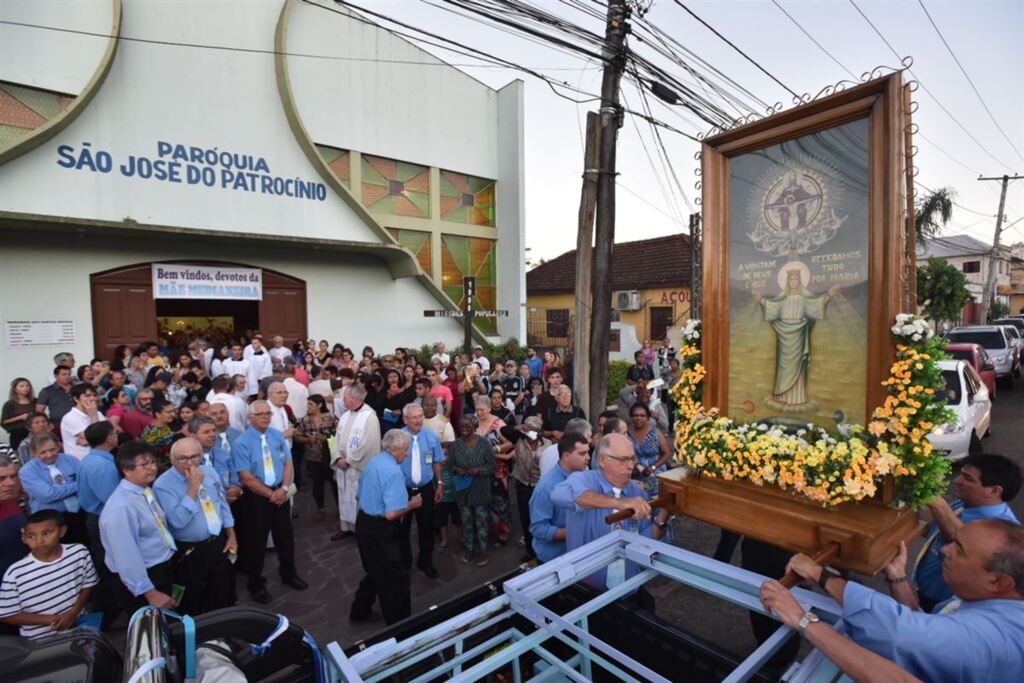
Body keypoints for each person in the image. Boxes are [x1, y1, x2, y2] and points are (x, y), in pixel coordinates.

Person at [760, 519, 1024, 683]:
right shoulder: (996, 601)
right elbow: (929, 627)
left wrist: (804, 617)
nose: (944, 550)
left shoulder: (993, 638)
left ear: (998, 581)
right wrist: (898, 578)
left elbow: (901, 635)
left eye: (960, 550)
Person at [551, 434, 665, 590]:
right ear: (603, 460)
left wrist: (665, 513)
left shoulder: (636, 493)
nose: (631, 466)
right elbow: (558, 495)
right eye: (623, 460)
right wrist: (619, 503)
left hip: (629, 587)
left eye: (632, 459)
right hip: (586, 588)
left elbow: (646, 540)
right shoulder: (584, 480)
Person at [913, 454, 1021, 612]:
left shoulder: (1002, 532)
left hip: (942, 605)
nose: (956, 481)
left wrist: (938, 504)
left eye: (968, 478)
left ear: (994, 490)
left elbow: (966, 542)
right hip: (923, 591)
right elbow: (934, 526)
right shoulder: (967, 503)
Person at [232, 401, 306, 603]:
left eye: (268, 413)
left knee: (285, 537)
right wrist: (270, 494)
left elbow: (288, 462)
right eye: (261, 414)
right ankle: (255, 584)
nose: (266, 417)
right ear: (250, 417)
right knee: (256, 542)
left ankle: (289, 574)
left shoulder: (276, 435)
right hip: (257, 498)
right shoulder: (241, 443)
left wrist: (283, 489)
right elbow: (245, 477)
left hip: (280, 492)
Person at [153, 438, 237, 615]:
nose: (189, 463)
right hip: (190, 551)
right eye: (183, 458)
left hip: (218, 542)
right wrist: (192, 488)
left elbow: (221, 505)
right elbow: (177, 522)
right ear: (172, 459)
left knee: (221, 592)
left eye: (194, 457)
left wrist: (231, 534)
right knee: (193, 600)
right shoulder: (163, 485)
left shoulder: (210, 472)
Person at [350, 430, 423, 625]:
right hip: (381, 530)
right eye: (405, 450)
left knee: (374, 571)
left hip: (364, 523)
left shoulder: (374, 462)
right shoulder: (393, 472)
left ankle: (359, 610)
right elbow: (392, 513)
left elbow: (358, 495)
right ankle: (399, 625)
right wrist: (413, 504)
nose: (406, 454)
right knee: (396, 579)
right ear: (394, 449)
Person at [100, 441, 176, 611]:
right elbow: (126, 555)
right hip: (143, 579)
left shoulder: (144, 490)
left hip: (160, 568)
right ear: (126, 470)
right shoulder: (121, 507)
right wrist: (150, 592)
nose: (152, 468)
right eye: (144, 464)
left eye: (152, 462)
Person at [0, 510, 97, 639]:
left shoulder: (79, 552)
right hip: (40, 641)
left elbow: (88, 584)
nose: (39, 540)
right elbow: (8, 615)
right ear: (24, 538)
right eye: (31, 536)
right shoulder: (15, 573)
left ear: (62, 531)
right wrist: (54, 619)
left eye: (46, 533)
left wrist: (73, 612)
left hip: (80, 630)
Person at [754, 270, 840, 411]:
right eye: (791, 280)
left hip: (799, 335)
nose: (793, 282)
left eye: (796, 279)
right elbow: (772, 307)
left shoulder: (803, 299)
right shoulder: (783, 300)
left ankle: (797, 398)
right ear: (787, 282)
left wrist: (829, 295)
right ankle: (781, 396)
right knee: (784, 367)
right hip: (784, 336)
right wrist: (760, 300)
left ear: (799, 282)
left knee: (798, 367)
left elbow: (816, 304)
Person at [530, 434, 592, 563]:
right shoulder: (546, 487)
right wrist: (576, 532)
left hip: (580, 553)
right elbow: (538, 528)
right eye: (582, 454)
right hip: (556, 559)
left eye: (588, 452)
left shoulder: (585, 476)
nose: (588, 458)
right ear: (566, 456)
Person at [399, 404, 444, 578]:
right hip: (403, 491)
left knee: (427, 528)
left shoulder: (431, 437)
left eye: (420, 416)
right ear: (405, 419)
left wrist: (439, 483)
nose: (418, 420)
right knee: (402, 530)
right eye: (414, 417)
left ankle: (425, 561)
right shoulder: (398, 438)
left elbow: (435, 461)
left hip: (425, 490)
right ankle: (404, 562)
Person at [330, 384, 381, 540]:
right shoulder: (345, 415)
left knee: (356, 497)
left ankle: (360, 529)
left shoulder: (369, 416)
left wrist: (350, 461)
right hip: (343, 465)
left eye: (345, 397)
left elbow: (368, 444)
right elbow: (336, 440)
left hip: (357, 467)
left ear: (355, 398)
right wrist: (338, 457)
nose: (342, 400)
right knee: (343, 495)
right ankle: (346, 527)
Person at [20, 433, 88, 546]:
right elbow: (47, 495)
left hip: (80, 513)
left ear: (58, 446)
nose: (49, 454)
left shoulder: (71, 460)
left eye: (52, 449)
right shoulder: (27, 471)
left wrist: (78, 485)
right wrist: (77, 485)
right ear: (34, 453)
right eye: (43, 452)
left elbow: (86, 482)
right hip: (50, 520)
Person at [451, 416, 496, 566]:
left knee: (481, 522)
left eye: (467, 425)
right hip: (463, 491)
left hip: (480, 489)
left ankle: (483, 551)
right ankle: (469, 550)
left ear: (475, 426)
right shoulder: (456, 444)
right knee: (467, 523)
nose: (464, 428)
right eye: (461, 425)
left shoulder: (483, 444)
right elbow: (450, 464)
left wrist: (479, 470)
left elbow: (492, 466)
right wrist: (457, 469)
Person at [474, 396, 513, 544]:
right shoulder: (474, 421)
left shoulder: (498, 424)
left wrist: (496, 448)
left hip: (497, 469)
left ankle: (503, 532)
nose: (479, 413)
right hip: (479, 469)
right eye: (477, 410)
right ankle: (489, 530)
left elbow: (510, 442)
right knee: (484, 501)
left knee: (500, 501)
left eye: (482, 410)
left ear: (489, 408)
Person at [294, 395, 338, 522]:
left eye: (310, 404)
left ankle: (340, 508)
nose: (308, 407)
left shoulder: (330, 417)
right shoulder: (305, 420)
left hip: (329, 456)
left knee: (334, 483)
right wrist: (308, 439)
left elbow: (339, 433)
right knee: (317, 484)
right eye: (307, 404)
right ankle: (321, 509)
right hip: (312, 458)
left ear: (319, 405)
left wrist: (328, 438)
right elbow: (297, 437)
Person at [510, 416, 548, 561]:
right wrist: (518, 428)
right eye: (528, 429)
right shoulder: (519, 441)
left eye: (533, 430)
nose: (530, 433)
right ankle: (530, 551)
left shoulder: (547, 445)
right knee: (526, 520)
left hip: (539, 487)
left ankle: (542, 552)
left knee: (539, 519)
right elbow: (504, 430)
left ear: (539, 431)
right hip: (522, 485)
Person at [0, 455, 29, 636]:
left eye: (13, 476)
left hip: (25, 588)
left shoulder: (10, 501)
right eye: (2, 479)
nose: (10, 483)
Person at [2, 377, 36, 452]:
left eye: (27, 386)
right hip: (18, 433)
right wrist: (20, 417)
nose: (26, 388)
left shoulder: (34, 401)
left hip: (35, 431)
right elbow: (4, 421)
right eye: (22, 386)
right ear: (15, 389)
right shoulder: (9, 404)